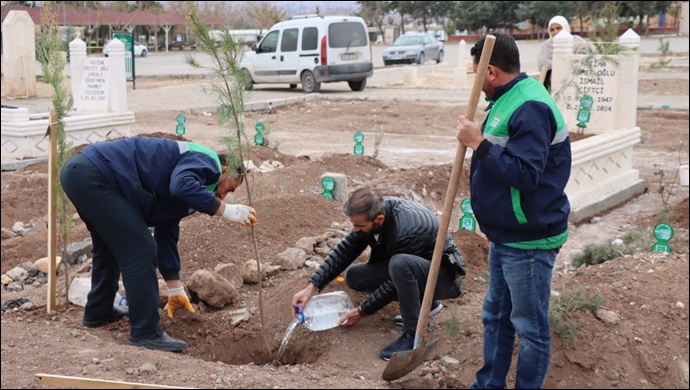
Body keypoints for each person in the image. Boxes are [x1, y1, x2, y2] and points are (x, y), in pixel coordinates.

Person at [60, 136, 257, 352]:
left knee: (108, 246)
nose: (224, 195)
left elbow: (167, 230)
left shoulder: (189, 182)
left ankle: (99, 310)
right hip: (95, 174)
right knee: (140, 249)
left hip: (82, 173)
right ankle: (145, 333)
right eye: (230, 188)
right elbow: (181, 186)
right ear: (226, 169)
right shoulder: (208, 162)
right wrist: (226, 211)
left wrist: (175, 289)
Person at [455, 33, 571, 389]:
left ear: (490, 71)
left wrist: (478, 142)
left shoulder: (530, 106)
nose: (473, 80)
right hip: (507, 236)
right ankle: (489, 384)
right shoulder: (506, 98)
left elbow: (525, 176)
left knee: (529, 328)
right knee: (496, 317)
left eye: (475, 72)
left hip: (530, 240)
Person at [291, 187, 466, 361]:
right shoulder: (374, 215)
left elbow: (392, 283)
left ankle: (413, 335)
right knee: (355, 276)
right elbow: (344, 251)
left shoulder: (408, 229)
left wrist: (362, 310)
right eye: (353, 224)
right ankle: (426, 304)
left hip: (446, 278)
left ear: (379, 219)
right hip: (420, 270)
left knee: (400, 265)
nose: (355, 230)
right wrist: (312, 287)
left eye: (359, 226)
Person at [537, 15, 589, 92]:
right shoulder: (546, 45)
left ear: (565, 27)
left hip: (576, 80)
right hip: (553, 82)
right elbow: (542, 64)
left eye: (558, 28)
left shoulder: (578, 41)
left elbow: (582, 59)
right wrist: (562, 64)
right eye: (552, 29)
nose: (555, 32)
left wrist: (561, 64)